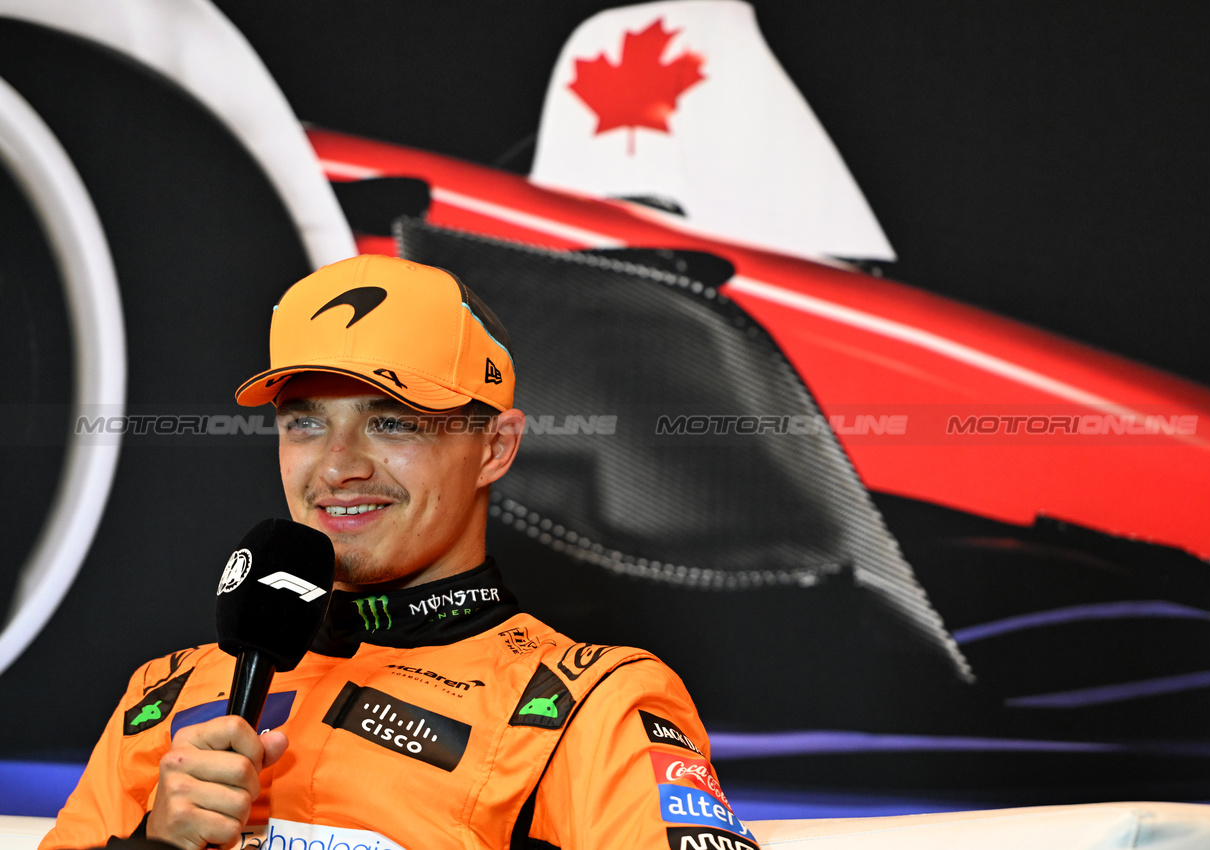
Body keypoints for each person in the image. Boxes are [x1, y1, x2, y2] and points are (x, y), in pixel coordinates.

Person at [41, 255, 755, 850]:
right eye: (305, 425)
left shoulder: (590, 702)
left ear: (494, 448)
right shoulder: (164, 694)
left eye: (390, 423)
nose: (337, 467)